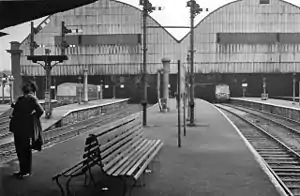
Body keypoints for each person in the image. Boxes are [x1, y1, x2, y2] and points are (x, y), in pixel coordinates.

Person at [9, 81, 44, 179]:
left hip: (24, 129)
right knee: (20, 150)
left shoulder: (32, 99)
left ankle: (26, 171)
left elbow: (40, 111)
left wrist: (30, 118)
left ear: (31, 89)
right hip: (18, 128)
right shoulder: (21, 99)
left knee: (25, 150)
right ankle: (22, 170)